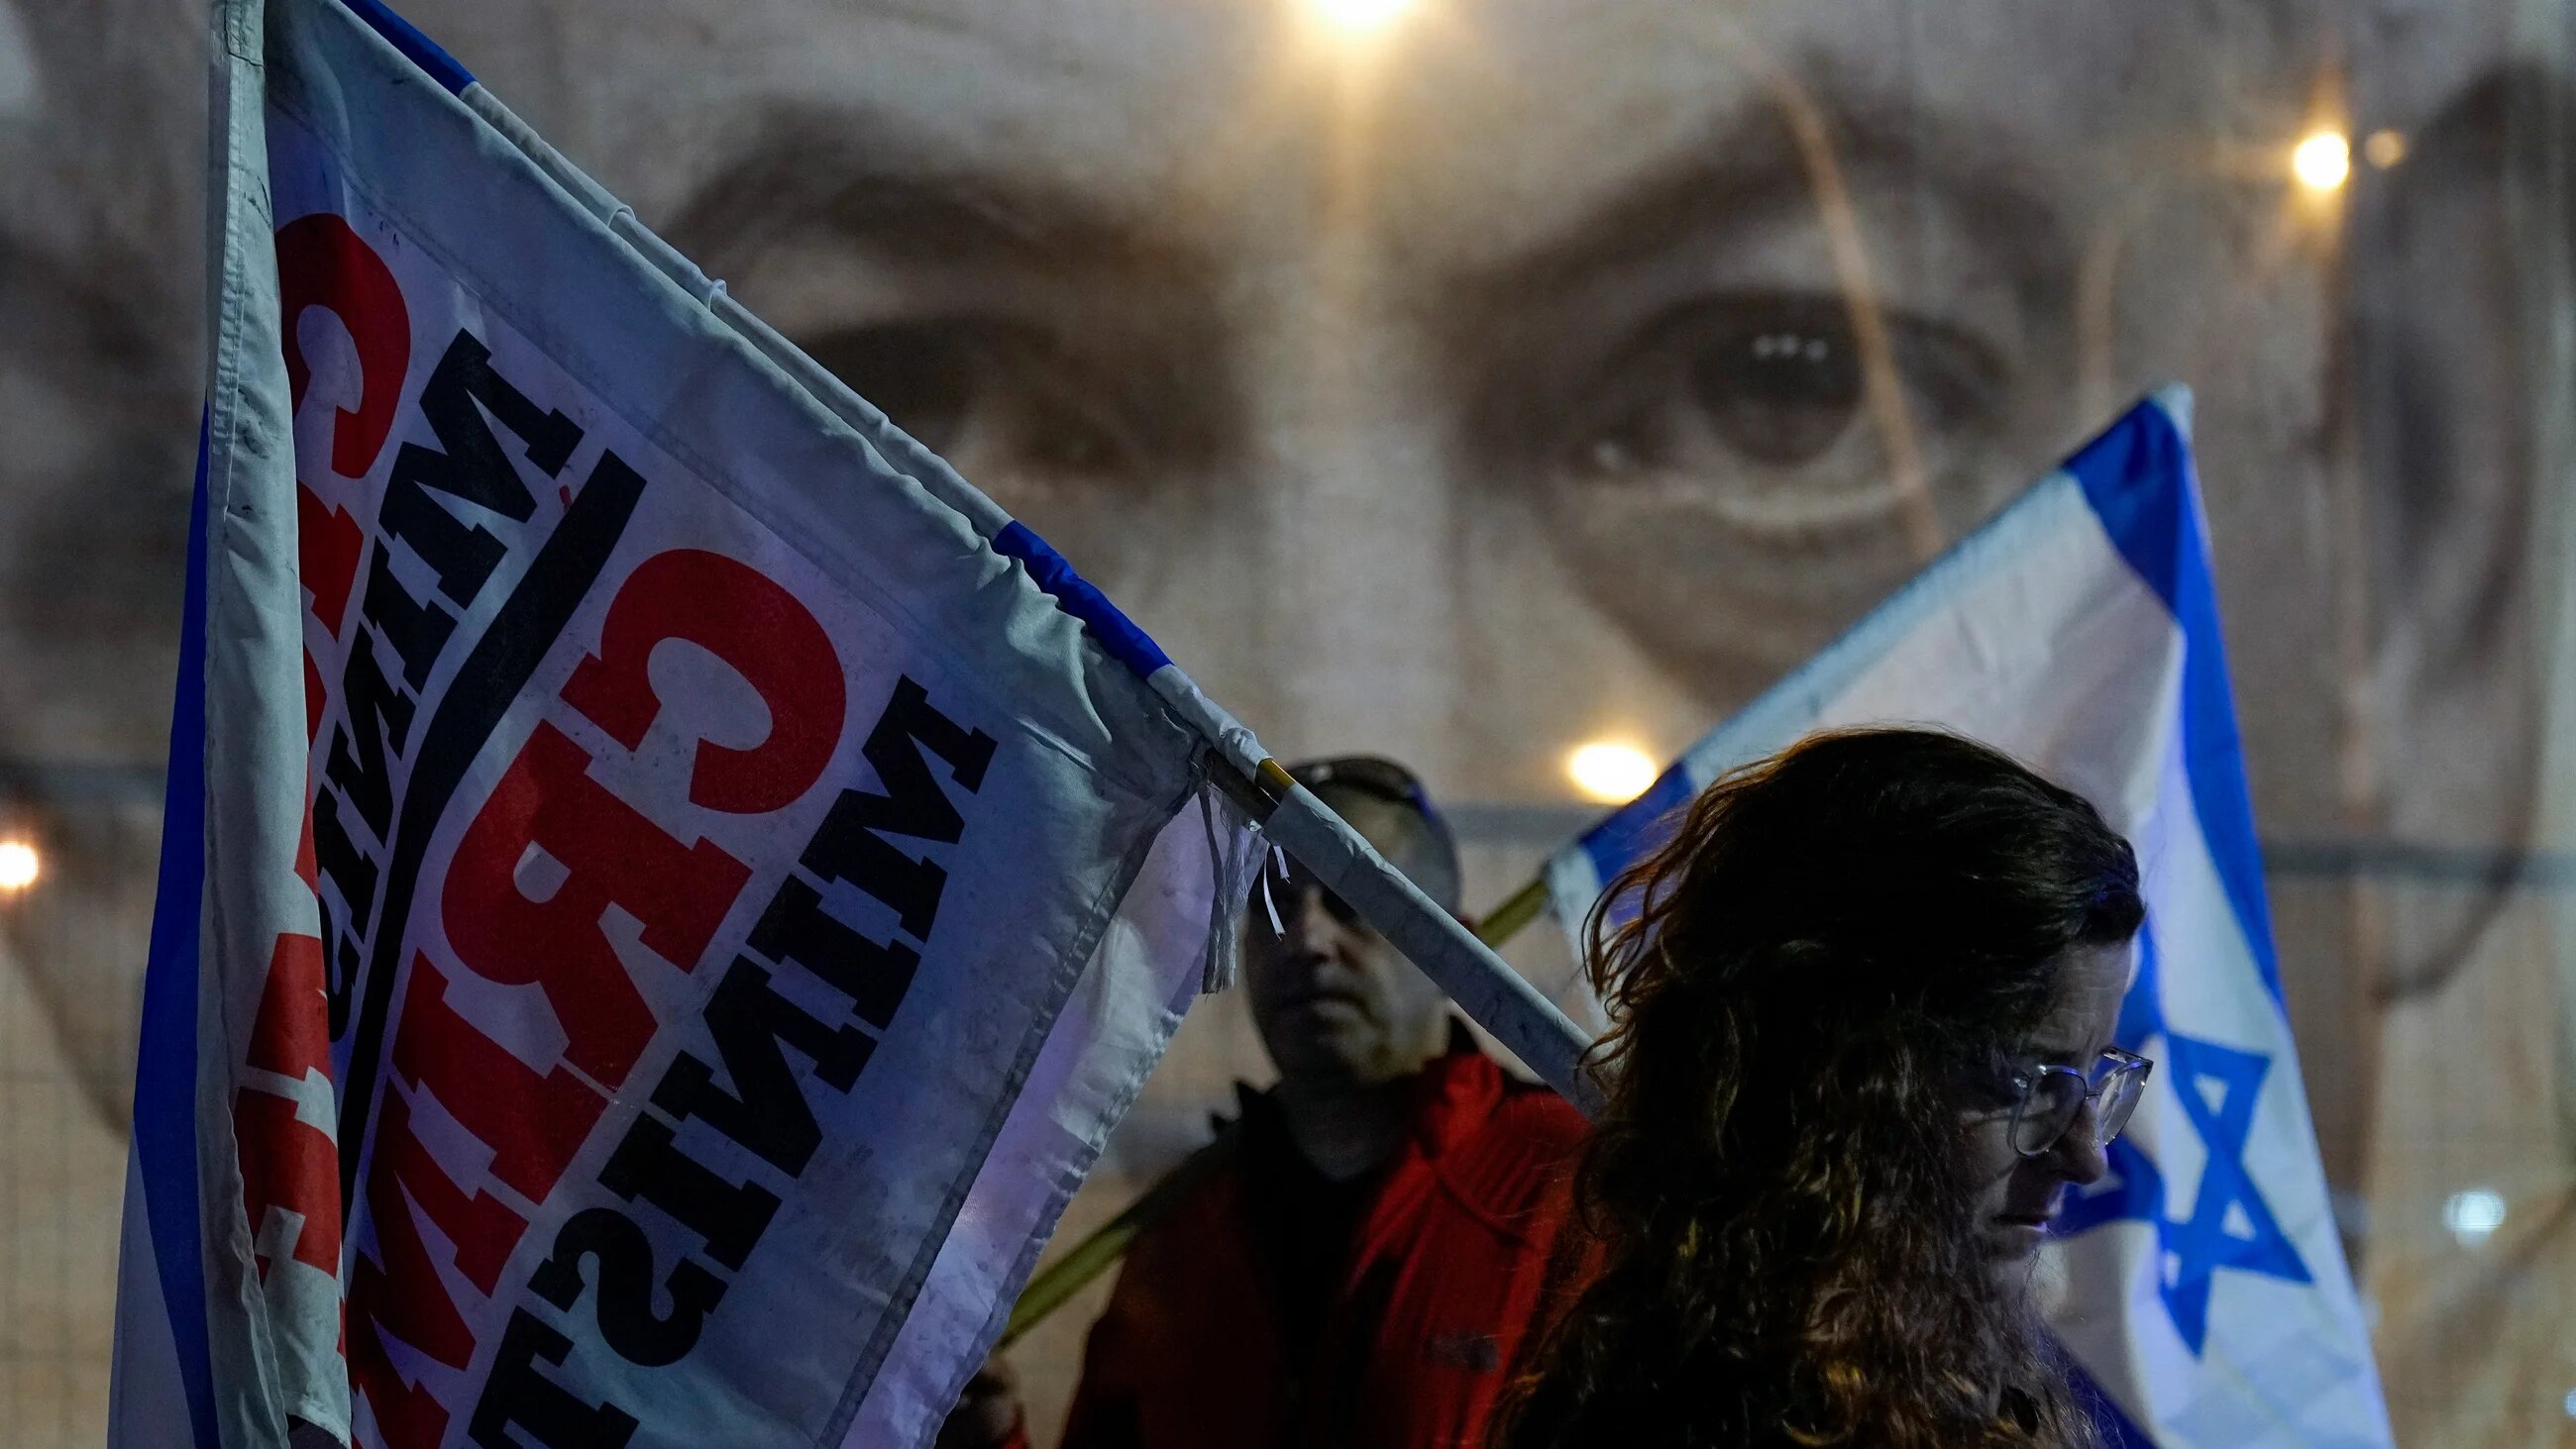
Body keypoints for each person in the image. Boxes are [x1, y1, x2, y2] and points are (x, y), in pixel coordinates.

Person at [1495, 728, 2150, 1449]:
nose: (2086, 1155)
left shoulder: (1932, 1384)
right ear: (1844, 1081)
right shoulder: (1710, 1422)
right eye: (2034, 1081)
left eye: (2094, 1080)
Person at [944, 756, 1589, 1449]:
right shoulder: (1182, 1230)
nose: (1306, 938)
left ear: (1455, 947)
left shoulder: (1570, 1185)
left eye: (1353, 901)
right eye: (1272, 904)